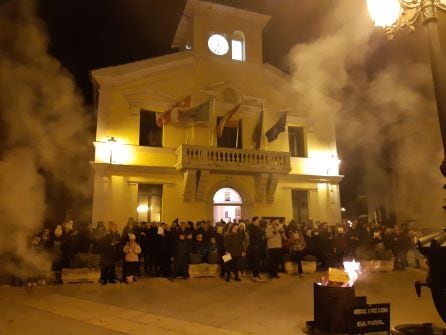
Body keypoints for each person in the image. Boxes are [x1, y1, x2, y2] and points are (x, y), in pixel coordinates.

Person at [247, 217, 264, 282]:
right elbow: (254, 237)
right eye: (257, 221)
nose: (258, 222)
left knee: (257, 262)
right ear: (253, 221)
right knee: (254, 262)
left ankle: (257, 274)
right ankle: (254, 275)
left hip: (258, 247)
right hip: (254, 248)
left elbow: (260, 235)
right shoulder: (251, 228)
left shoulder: (257, 228)